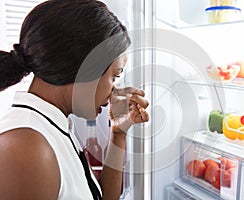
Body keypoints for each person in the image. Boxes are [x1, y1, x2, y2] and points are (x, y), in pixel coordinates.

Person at [0, 0, 149, 200]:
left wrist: (118, 133)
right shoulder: (28, 147)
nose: (114, 88)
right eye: (114, 76)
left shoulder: (54, 124)